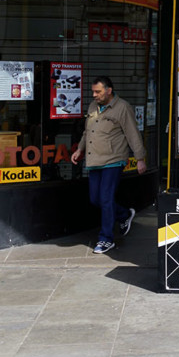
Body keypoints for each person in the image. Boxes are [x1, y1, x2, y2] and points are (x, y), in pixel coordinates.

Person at [71, 77, 148, 254]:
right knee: (95, 199)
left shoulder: (122, 108)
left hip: (114, 159)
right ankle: (124, 215)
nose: (94, 95)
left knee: (105, 198)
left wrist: (140, 158)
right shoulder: (92, 107)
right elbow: (87, 132)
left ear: (109, 90)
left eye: (98, 91)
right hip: (94, 159)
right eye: (93, 91)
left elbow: (133, 134)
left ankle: (106, 239)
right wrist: (79, 149)